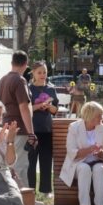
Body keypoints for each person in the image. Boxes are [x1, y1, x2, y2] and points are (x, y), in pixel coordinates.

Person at [60, 102, 103, 205]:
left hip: (97, 161)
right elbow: (71, 151)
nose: (102, 118)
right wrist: (89, 150)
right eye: (99, 116)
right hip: (78, 163)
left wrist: (102, 153)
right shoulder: (74, 127)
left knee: (99, 169)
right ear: (90, 115)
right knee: (84, 169)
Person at [0, 50, 37, 185]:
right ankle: (24, 200)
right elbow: (24, 108)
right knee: (20, 165)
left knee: (9, 165)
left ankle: (15, 198)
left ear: (12, 63)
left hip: (5, 126)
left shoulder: (3, 79)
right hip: (19, 128)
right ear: (26, 64)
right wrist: (31, 133)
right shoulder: (20, 80)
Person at [27, 62, 59, 196]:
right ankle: (31, 190)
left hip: (47, 130)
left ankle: (46, 190)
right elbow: (26, 109)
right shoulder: (28, 89)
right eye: (39, 72)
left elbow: (55, 110)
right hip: (32, 130)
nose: (42, 75)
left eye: (44, 72)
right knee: (31, 162)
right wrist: (39, 106)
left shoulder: (51, 89)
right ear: (33, 73)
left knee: (46, 161)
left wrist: (49, 107)